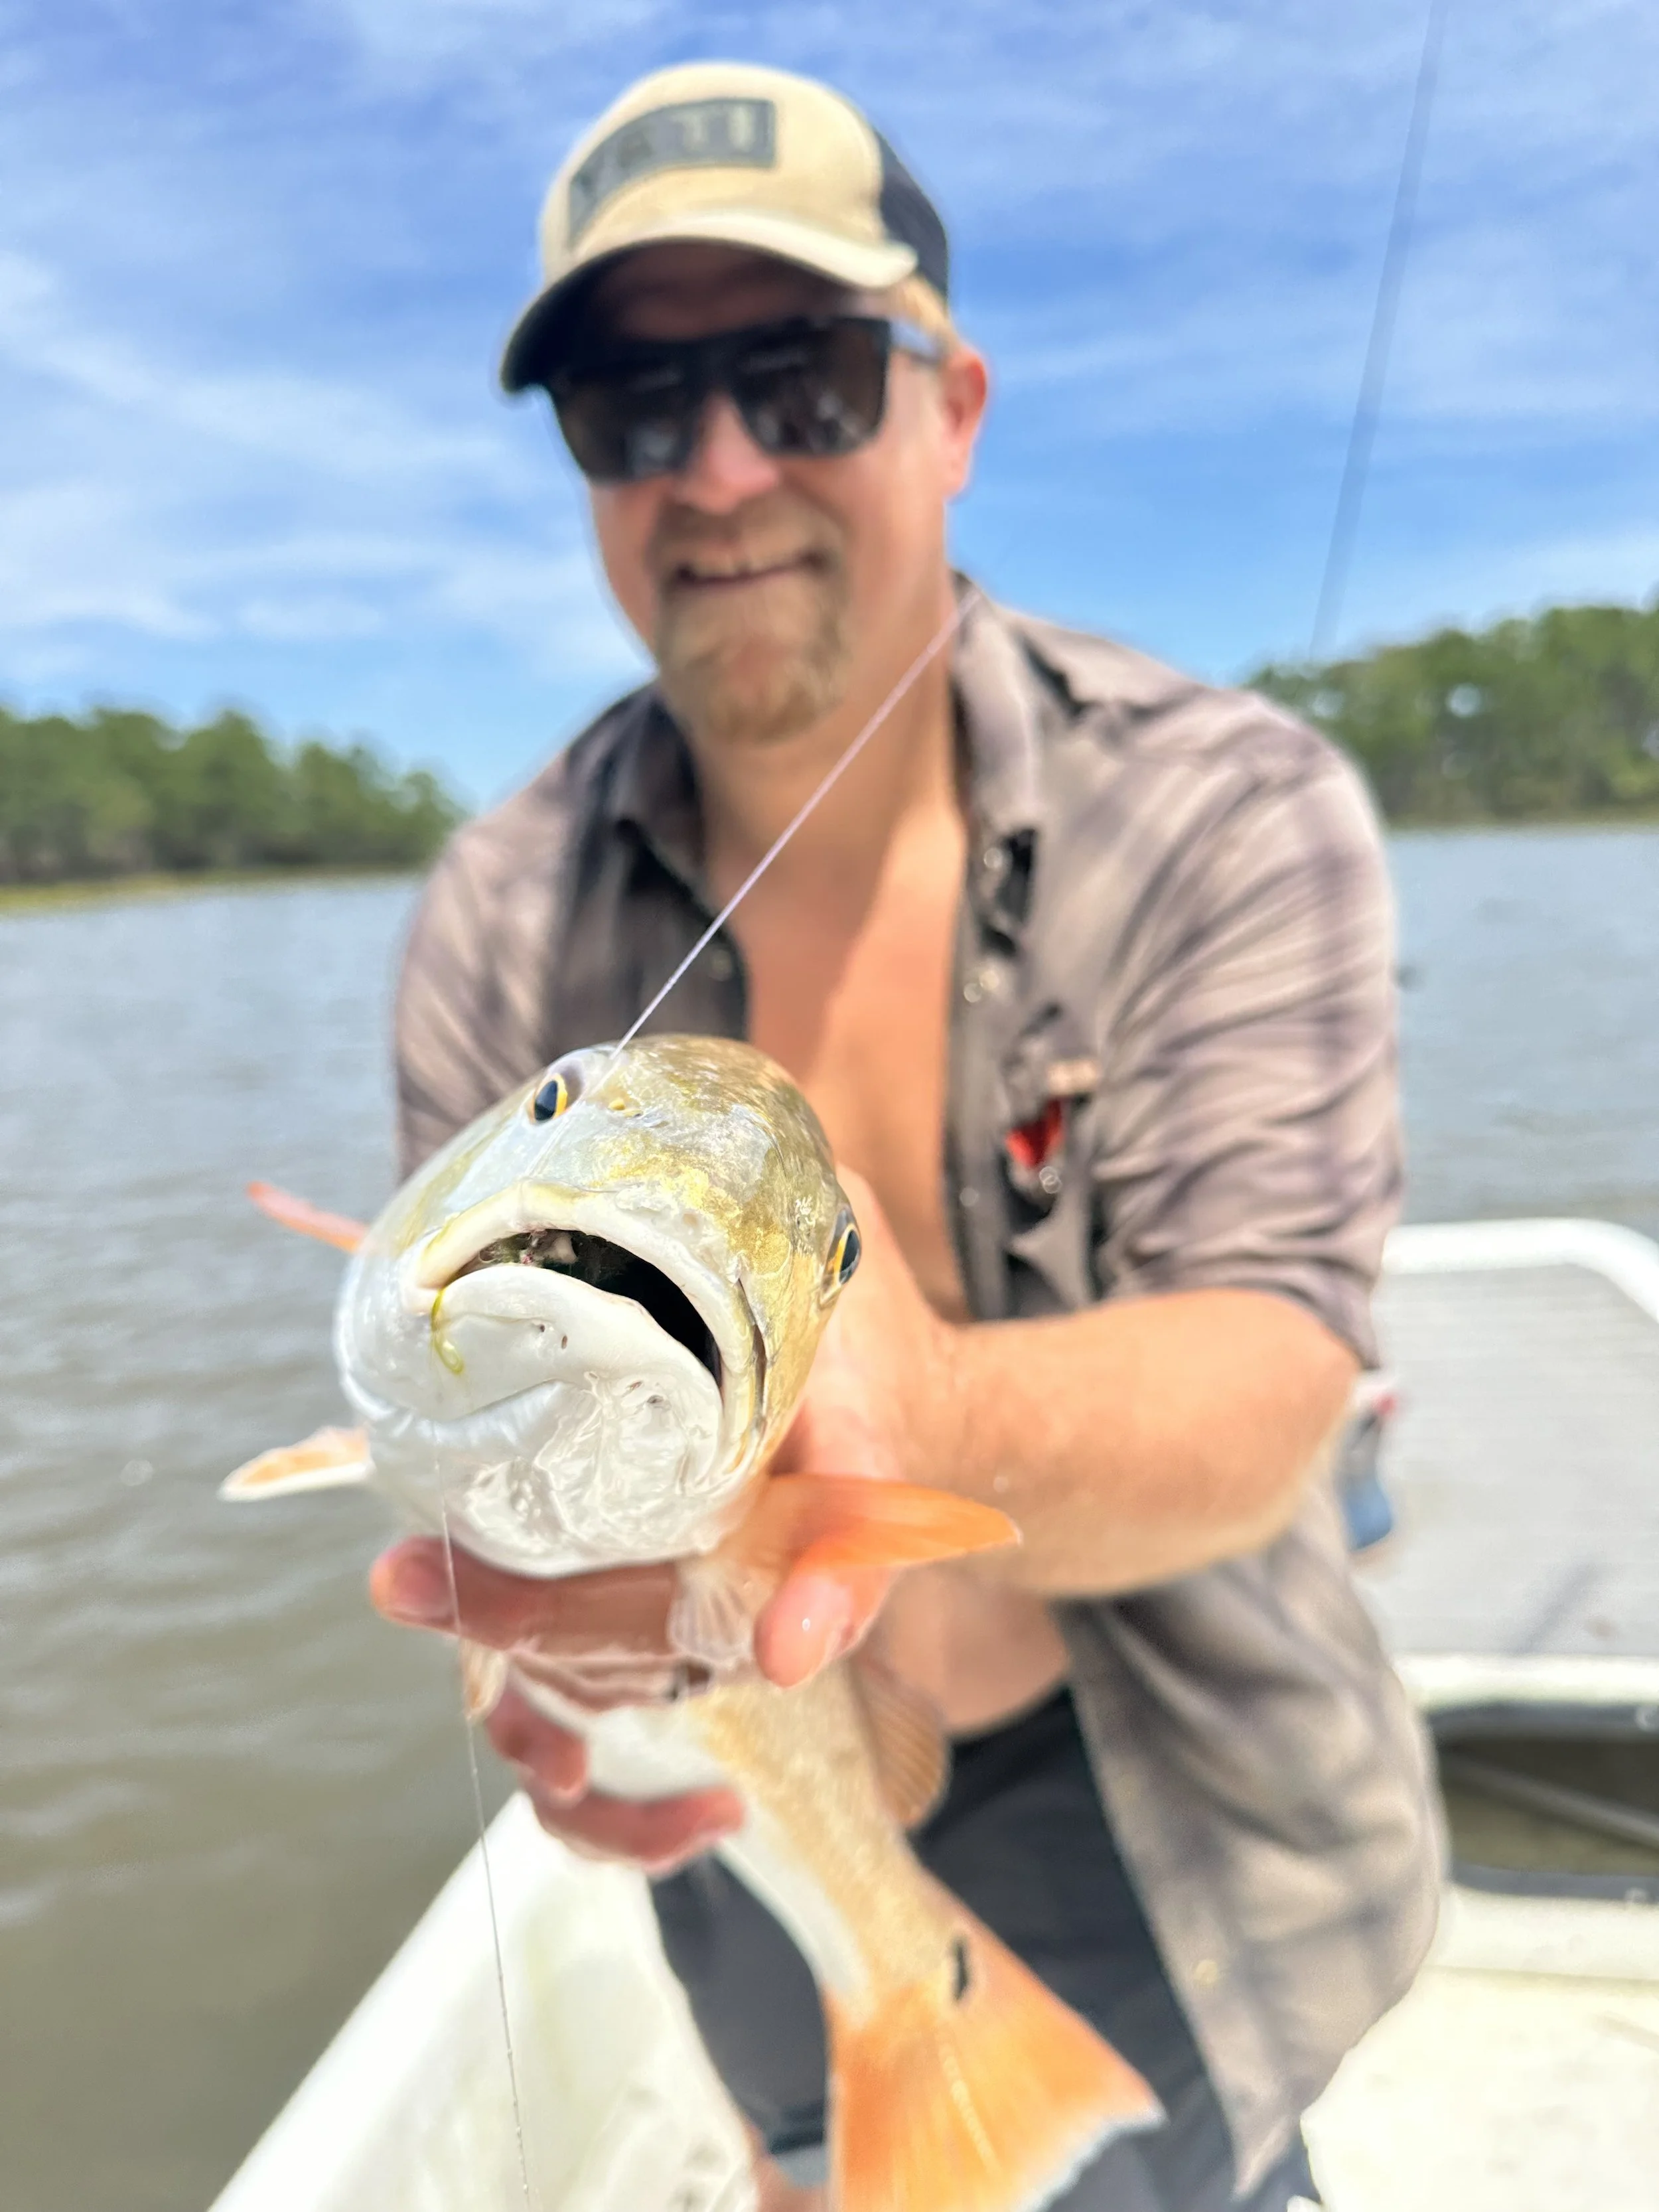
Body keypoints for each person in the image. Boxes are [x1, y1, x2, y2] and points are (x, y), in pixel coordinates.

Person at [371, 60, 1441, 2212]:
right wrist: (541, 1662)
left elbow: (1276, 1374)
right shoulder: (495, 910)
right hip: (754, 1821)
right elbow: (466, 1445)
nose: (722, 466)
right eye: (631, 406)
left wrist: (921, 1411)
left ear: (949, 405)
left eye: (801, 372)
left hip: (1175, 1797)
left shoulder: (1230, 810)